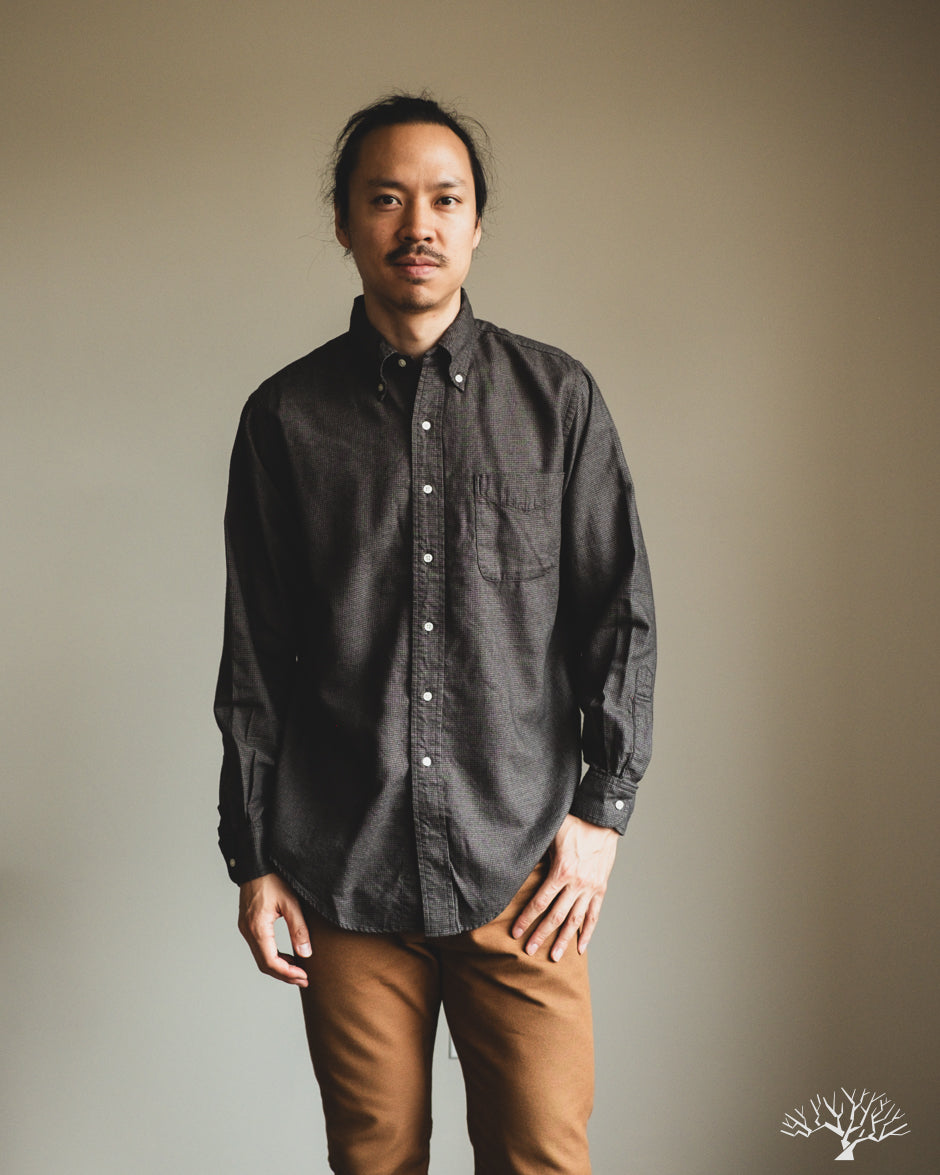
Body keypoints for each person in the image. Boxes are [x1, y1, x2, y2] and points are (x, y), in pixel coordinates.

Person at [215, 92, 656, 1175]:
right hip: (342, 871)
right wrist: (253, 856)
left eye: (445, 199)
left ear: (475, 222)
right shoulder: (283, 419)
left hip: (520, 871)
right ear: (344, 222)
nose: (418, 223)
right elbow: (257, 655)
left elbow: (617, 613)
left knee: (541, 1156)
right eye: (386, 199)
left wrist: (600, 814)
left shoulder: (558, 400)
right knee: (374, 1162)